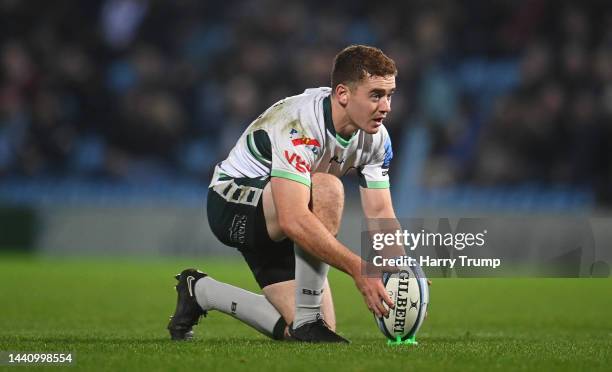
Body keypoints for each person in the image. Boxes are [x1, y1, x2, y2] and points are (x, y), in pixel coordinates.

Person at [168, 45, 399, 343]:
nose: (386, 107)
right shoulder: (300, 123)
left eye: (389, 95)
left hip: (283, 209)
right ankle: (307, 319)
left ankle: (200, 291)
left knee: (316, 332)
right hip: (232, 202)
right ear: (343, 94)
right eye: (376, 95)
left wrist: (398, 271)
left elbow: (380, 212)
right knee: (327, 187)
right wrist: (359, 268)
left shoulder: (376, 138)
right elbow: (292, 219)